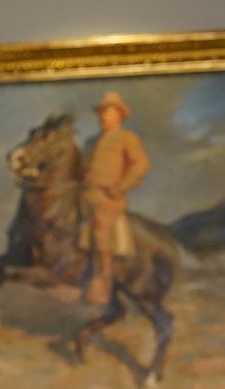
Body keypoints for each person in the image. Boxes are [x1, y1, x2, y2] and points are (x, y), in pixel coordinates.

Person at [80, 90, 151, 305]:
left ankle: (103, 284)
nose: (105, 117)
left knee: (101, 234)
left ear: (120, 115)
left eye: (110, 113)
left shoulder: (126, 138)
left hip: (108, 198)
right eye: (102, 113)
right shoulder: (91, 142)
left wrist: (121, 187)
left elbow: (141, 164)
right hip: (86, 195)